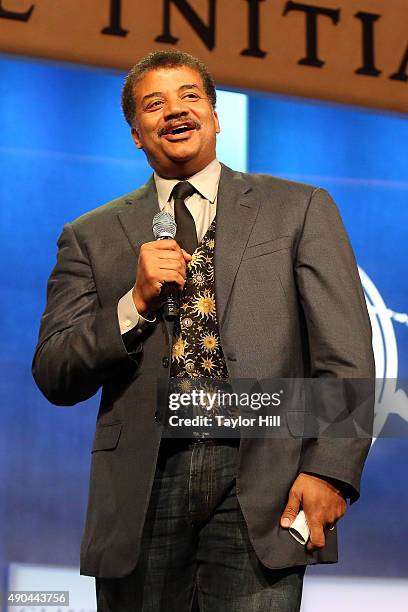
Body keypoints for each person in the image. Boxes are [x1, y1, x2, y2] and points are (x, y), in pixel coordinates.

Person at [32, 50, 375, 611]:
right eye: (154, 104)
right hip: (143, 481)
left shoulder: (299, 208)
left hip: (263, 475)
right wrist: (133, 304)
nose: (174, 111)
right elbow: (53, 370)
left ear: (215, 117)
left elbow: (345, 355)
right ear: (137, 136)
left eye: (190, 96)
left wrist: (331, 471)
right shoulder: (91, 235)